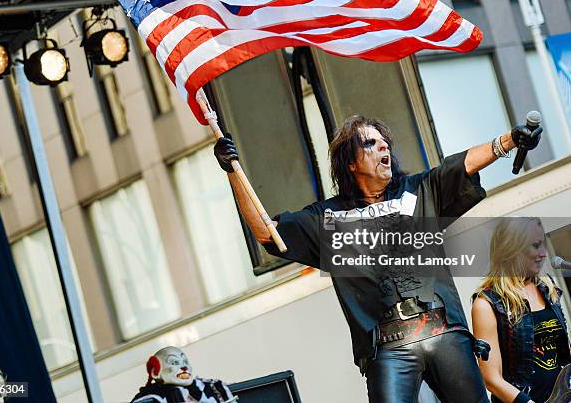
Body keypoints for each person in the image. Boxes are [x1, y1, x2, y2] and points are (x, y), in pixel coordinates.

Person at [214, 114, 542, 402]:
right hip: (388, 348)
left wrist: (510, 140)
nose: (384, 147)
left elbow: (462, 164)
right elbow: (266, 233)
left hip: (444, 331)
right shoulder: (327, 217)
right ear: (351, 163)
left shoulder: (418, 191)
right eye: (371, 144)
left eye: (386, 143)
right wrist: (232, 172)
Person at [472, 218, 570, 403]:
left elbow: (563, 353)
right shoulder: (486, 303)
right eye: (535, 245)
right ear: (511, 249)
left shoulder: (547, 287)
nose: (543, 253)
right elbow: (491, 379)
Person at [131, 346, 237, 403]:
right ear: (155, 372)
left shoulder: (209, 387)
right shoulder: (152, 398)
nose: (184, 367)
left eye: (185, 362)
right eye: (174, 363)